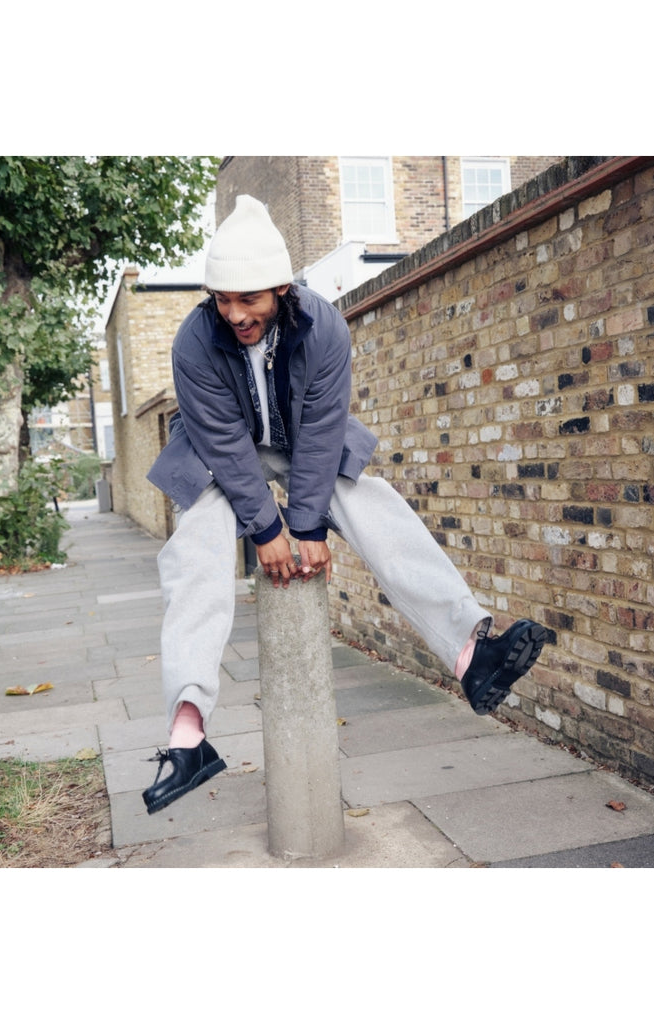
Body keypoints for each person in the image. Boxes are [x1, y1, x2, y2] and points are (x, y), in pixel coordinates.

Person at [142, 195, 546, 815]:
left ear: (280, 288)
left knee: (370, 498)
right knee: (193, 541)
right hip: (219, 457)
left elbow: (323, 429)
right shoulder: (194, 342)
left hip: (303, 445)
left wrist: (306, 527)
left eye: (248, 299)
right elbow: (224, 444)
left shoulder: (323, 326)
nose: (235, 314)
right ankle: (188, 731)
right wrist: (268, 531)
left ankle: (470, 652)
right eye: (222, 300)